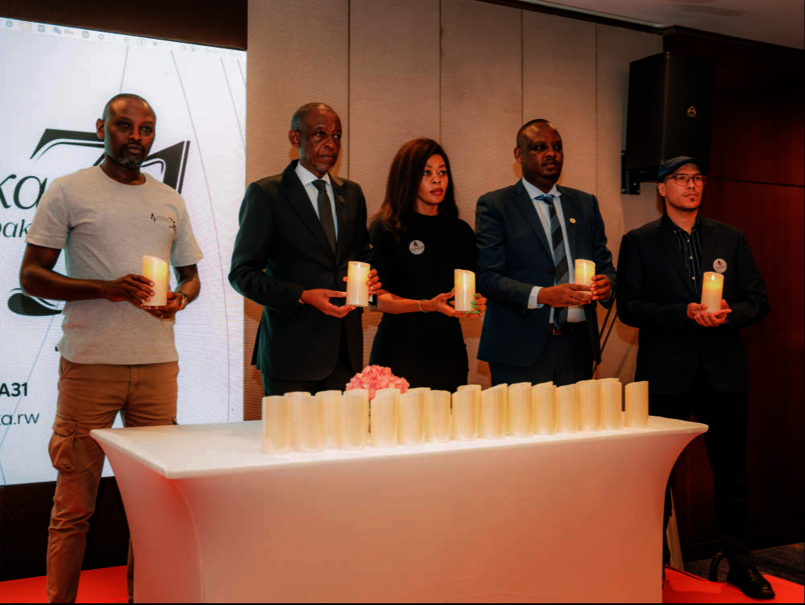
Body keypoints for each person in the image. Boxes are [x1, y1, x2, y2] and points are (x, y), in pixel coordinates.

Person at [20, 93, 203, 603]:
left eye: (146, 129)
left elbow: (191, 278)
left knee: (154, 505)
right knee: (74, 507)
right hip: (89, 366)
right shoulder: (68, 189)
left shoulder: (170, 199)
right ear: (102, 128)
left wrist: (180, 300)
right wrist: (105, 288)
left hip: (157, 367)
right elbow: (31, 276)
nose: (136, 137)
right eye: (124, 126)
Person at [617, 156, 773, 598]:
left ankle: (740, 562)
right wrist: (681, 312)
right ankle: (652, 564)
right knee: (656, 479)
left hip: (724, 374)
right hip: (666, 376)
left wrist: (728, 314)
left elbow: (758, 301)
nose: (691, 185)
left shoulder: (730, 237)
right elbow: (630, 307)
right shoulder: (639, 241)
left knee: (732, 474)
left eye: (697, 178)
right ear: (662, 188)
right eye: (681, 179)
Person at [229, 103, 380, 396]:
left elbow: (363, 256)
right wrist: (301, 295)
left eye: (337, 135)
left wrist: (372, 277)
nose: (331, 143)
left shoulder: (352, 193)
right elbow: (242, 274)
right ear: (295, 137)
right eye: (320, 134)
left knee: (342, 429)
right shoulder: (266, 193)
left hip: (344, 355)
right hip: (290, 355)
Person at [475, 119, 616, 387]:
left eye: (557, 147)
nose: (551, 153)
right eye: (540, 147)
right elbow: (487, 277)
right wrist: (543, 295)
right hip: (519, 350)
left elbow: (606, 266)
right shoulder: (496, 205)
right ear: (518, 155)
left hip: (578, 349)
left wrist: (607, 284)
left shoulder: (585, 204)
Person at [368, 138, 486, 392]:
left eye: (442, 172)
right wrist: (426, 305)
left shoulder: (460, 232)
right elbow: (374, 300)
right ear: (407, 177)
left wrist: (474, 303)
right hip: (398, 352)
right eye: (426, 173)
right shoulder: (386, 227)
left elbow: (464, 294)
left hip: (448, 354)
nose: (437, 180)